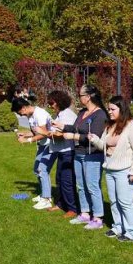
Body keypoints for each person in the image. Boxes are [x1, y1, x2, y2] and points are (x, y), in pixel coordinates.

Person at [89, 96, 133, 242]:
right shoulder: (110, 126)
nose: (110, 112)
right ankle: (118, 227)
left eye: (113, 109)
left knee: (125, 202)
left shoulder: (132, 125)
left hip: (125, 171)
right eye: (109, 108)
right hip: (110, 170)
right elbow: (104, 147)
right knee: (114, 201)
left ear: (122, 109)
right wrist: (95, 140)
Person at [57, 84, 107, 229]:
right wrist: (63, 126)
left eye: (80, 95)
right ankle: (85, 214)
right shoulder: (82, 112)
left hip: (92, 155)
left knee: (92, 186)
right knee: (81, 185)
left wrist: (73, 136)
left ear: (88, 96)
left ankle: (98, 217)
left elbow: (93, 137)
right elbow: (76, 128)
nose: (79, 98)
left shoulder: (100, 114)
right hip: (78, 153)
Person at [12, 97, 55, 210]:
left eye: (19, 112)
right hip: (42, 144)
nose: (21, 115)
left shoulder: (39, 114)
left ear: (24, 108)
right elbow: (34, 132)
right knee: (37, 169)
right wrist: (24, 134)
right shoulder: (30, 116)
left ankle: (47, 199)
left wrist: (28, 140)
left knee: (42, 169)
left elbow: (44, 133)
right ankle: (43, 195)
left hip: (51, 144)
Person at [46, 90, 78, 218]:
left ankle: (72, 208)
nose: (50, 106)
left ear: (59, 102)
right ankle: (61, 204)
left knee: (67, 180)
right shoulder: (60, 114)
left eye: (51, 103)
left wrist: (45, 133)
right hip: (61, 151)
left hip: (69, 151)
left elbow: (62, 135)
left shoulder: (67, 115)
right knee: (59, 179)